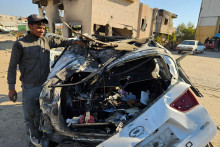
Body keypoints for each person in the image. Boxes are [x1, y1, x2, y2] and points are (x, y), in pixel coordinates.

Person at [7, 14, 85, 146]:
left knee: (41, 113)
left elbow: (63, 41)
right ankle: (33, 139)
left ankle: (39, 134)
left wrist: (74, 41)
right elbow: (12, 67)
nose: (42, 30)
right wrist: (11, 87)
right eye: (39, 28)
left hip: (45, 86)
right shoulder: (20, 44)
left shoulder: (47, 41)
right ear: (30, 26)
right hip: (29, 87)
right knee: (30, 116)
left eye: (44, 28)